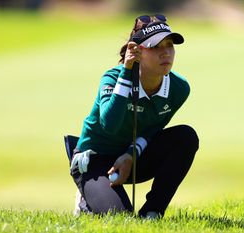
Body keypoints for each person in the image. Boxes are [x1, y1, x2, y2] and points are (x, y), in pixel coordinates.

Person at [70, 14, 199, 219]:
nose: (166, 52)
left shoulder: (179, 88)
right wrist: (127, 72)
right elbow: (109, 124)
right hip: (95, 160)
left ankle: (152, 212)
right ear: (137, 51)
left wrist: (131, 154)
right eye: (156, 47)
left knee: (186, 137)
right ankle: (86, 199)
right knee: (121, 218)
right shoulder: (112, 78)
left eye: (169, 45)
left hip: (134, 157)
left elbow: (153, 129)